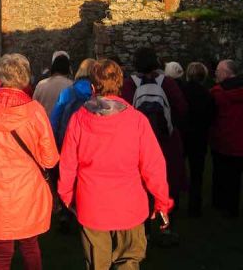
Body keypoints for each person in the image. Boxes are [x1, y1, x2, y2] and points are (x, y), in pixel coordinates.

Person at [59, 59, 173, 269]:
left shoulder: (78, 120)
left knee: (97, 263)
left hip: (94, 203)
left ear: (93, 87)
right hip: (128, 205)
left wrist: (67, 196)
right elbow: (153, 166)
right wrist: (161, 201)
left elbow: (67, 164)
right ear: (120, 84)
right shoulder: (137, 120)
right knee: (128, 261)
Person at [0, 53, 59, 270]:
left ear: (0, 76)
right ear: (25, 77)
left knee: (2, 249)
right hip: (27, 191)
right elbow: (50, 159)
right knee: (30, 244)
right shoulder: (35, 112)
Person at [121, 47, 187, 241]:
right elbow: (182, 108)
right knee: (168, 182)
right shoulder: (167, 83)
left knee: (141, 184)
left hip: (139, 144)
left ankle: (144, 230)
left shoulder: (128, 85)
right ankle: (165, 226)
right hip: (166, 142)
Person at [209, 59, 243, 218]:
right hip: (241, 143)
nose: (216, 73)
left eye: (218, 70)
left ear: (226, 73)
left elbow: (210, 116)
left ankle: (219, 202)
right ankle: (232, 207)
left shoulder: (217, 93)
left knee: (219, 173)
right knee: (235, 176)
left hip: (222, 141)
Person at [180, 62, 215, 217]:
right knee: (197, 174)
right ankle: (195, 208)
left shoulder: (181, 91)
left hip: (183, 136)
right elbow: (211, 117)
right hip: (199, 138)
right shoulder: (208, 94)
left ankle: (170, 205)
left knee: (176, 171)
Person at [50, 58, 95, 147]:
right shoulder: (97, 94)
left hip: (67, 142)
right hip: (90, 145)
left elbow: (54, 121)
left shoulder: (67, 92)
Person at [33, 53, 73, 118]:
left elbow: (33, 108)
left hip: (44, 124)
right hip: (64, 125)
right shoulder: (72, 86)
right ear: (68, 69)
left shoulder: (41, 85)